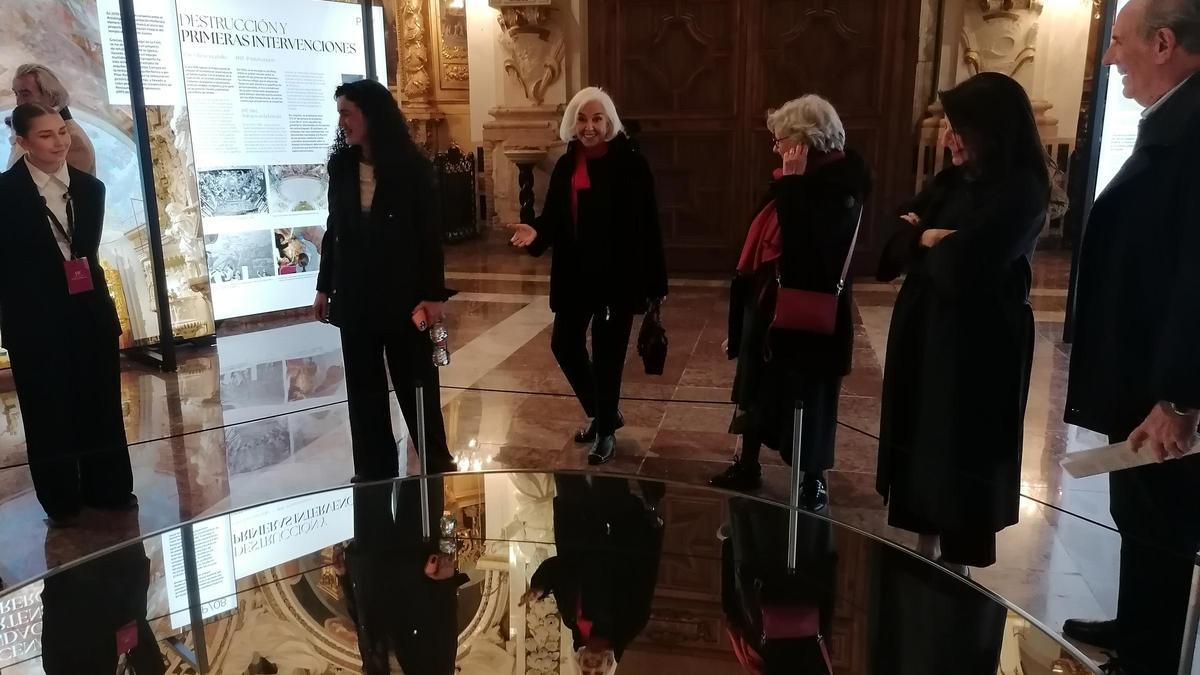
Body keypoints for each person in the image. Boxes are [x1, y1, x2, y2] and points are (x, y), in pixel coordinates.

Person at [1059, 1, 1200, 672]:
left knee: (1163, 519)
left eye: (1118, 43)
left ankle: (1152, 653)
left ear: (1164, 43)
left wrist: (1179, 395)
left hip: (1164, 381)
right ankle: (1138, 621)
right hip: (1142, 367)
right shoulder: (1176, 117)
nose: (1111, 58)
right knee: (1137, 511)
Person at [875, 72, 1049, 573]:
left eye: (959, 127)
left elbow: (960, 268)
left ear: (991, 131)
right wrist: (934, 237)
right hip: (926, 334)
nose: (948, 137)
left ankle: (958, 567)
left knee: (963, 444)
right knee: (922, 432)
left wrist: (921, 238)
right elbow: (885, 253)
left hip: (980, 344)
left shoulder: (1022, 191)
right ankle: (923, 547)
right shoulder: (950, 181)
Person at [707, 95, 871, 509]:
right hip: (768, 301)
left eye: (781, 141)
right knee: (755, 384)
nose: (776, 148)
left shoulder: (842, 184)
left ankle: (811, 478)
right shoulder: (791, 178)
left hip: (809, 310)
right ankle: (747, 463)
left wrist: (793, 185)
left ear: (805, 142)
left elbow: (810, 251)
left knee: (808, 394)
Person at [507, 87, 668, 465]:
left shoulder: (631, 163)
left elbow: (649, 226)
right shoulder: (567, 164)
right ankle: (604, 412)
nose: (589, 127)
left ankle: (605, 433)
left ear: (609, 122)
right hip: (575, 276)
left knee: (609, 355)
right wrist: (536, 233)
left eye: (597, 119)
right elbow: (553, 219)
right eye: (582, 118)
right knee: (564, 344)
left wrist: (655, 285)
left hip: (617, 277)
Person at [0, 103, 136, 526]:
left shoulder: (89, 189)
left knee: (100, 401)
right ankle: (61, 499)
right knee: (47, 408)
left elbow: (87, 256)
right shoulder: (5, 193)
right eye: (45, 135)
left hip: (88, 311)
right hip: (33, 317)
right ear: (21, 142)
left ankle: (108, 487)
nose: (59, 142)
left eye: (62, 132)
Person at [312, 79, 456, 479]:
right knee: (363, 391)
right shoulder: (341, 166)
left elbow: (429, 237)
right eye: (339, 113)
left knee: (417, 386)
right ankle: (373, 470)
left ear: (372, 116)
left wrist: (433, 296)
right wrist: (325, 286)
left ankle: (435, 463)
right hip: (355, 296)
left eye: (347, 113)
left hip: (404, 297)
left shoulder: (412, 168)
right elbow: (334, 229)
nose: (341, 122)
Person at [521, 475, 664, 675]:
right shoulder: (628, 625)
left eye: (586, 673)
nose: (592, 667)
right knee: (606, 469)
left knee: (567, 466)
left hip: (575, 523)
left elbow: (558, 567)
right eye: (599, 674)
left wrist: (539, 587)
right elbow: (644, 571)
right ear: (609, 665)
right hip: (616, 525)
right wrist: (651, 528)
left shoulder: (571, 619)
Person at [9, 64, 96, 175]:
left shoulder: (72, 140)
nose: (18, 102)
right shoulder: (29, 127)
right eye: (16, 94)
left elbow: (58, 189)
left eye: (26, 94)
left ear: (50, 95)